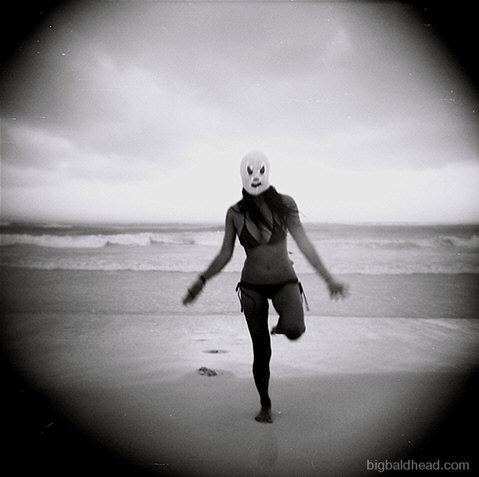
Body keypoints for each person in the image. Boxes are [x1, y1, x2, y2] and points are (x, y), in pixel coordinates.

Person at [182, 151, 348, 423]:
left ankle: (282, 324)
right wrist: (201, 281)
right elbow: (225, 254)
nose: (255, 177)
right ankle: (265, 403)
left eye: (259, 171)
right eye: (249, 172)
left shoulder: (285, 204)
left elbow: (304, 243)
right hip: (252, 287)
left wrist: (328, 278)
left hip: (284, 281)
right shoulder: (235, 213)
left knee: (295, 329)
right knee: (262, 351)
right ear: (242, 176)